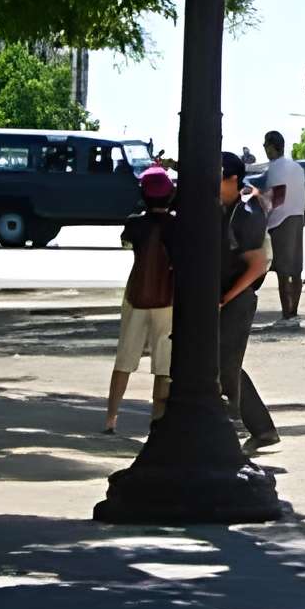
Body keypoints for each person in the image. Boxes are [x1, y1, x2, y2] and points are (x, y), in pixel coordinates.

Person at [104, 164, 178, 433]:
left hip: (136, 295)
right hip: (168, 299)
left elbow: (125, 243)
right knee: (164, 363)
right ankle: (157, 420)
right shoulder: (177, 224)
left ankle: (111, 418)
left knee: (125, 357)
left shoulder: (135, 223)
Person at [216, 151, 277, 449]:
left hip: (237, 300)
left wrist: (227, 297)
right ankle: (261, 429)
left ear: (232, 179)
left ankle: (243, 429)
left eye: (217, 175)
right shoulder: (222, 206)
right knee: (223, 363)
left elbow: (258, 265)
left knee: (226, 365)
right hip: (222, 298)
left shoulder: (247, 213)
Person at [259, 129, 305, 322]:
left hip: (280, 221)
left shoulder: (275, 168)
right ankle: (294, 311)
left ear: (272, 147)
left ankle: (286, 314)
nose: (264, 148)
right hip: (298, 217)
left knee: (283, 271)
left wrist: (258, 204)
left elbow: (275, 199)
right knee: (296, 269)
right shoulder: (296, 167)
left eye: (265, 145)